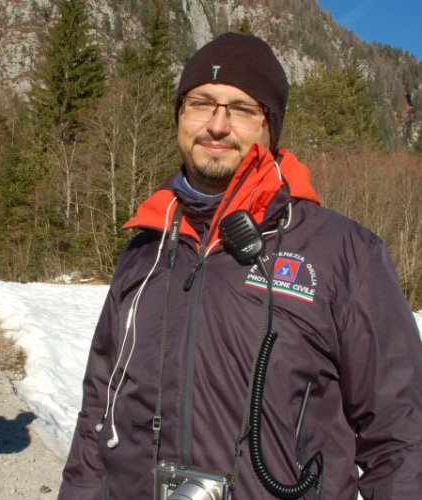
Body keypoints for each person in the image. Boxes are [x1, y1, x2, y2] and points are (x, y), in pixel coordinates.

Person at [59, 33, 422, 499]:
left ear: (271, 128)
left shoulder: (346, 254)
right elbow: (98, 409)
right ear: (179, 116)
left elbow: (401, 434)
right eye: (201, 104)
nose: (217, 125)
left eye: (242, 109)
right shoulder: (143, 250)